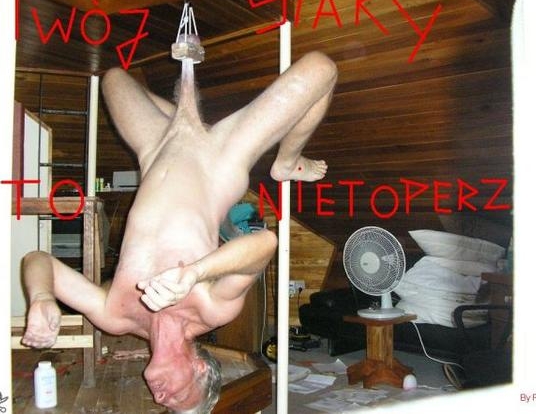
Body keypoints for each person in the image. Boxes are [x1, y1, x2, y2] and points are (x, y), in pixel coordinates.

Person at [21, 51, 337, 412]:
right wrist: (194, 273)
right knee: (322, 69)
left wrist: (42, 296)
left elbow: (37, 260)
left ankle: (184, 123)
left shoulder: (115, 316)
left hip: (157, 148)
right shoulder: (210, 310)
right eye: (178, 398)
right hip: (221, 158)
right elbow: (264, 243)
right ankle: (287, 161)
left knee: (113, 79)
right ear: (200, 369)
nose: (160, 397)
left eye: (164, 404)